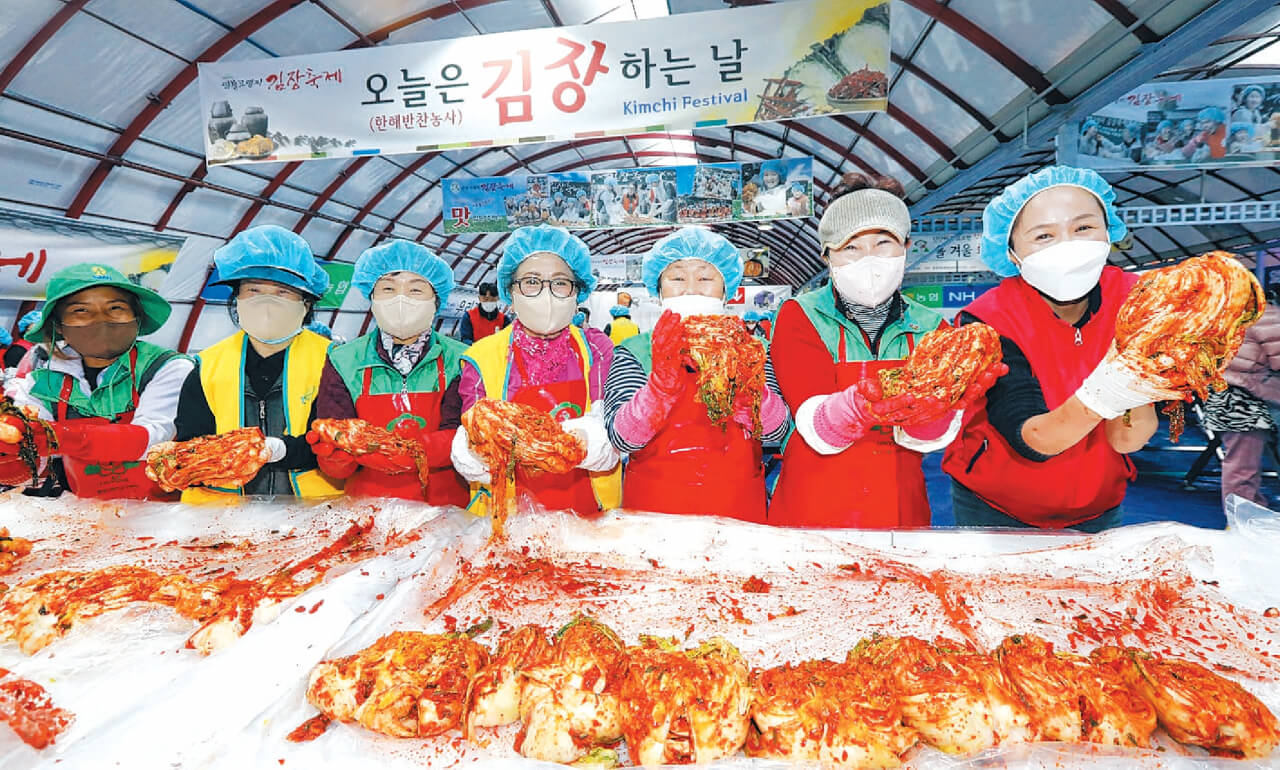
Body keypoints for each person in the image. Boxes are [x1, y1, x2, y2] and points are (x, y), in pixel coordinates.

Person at [941, 166, 1180, 532]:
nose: (1067, 245)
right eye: (1043, 236)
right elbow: (1034, 438)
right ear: (1012, 254)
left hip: (1097, 505)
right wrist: (1116, 383)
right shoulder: (989, 319)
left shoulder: (1138, 302)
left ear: (1108, 231)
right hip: (995, 508)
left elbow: (1128, 437)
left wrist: (1142, 385)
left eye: (1083, 228)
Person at [768, 174, 1002, 528]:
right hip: (812, 506)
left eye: (883, 242)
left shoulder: (932, 327)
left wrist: (937, 412)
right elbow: (812, 421)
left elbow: (928, 441)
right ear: (827, 255)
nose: (869, 258)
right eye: (851, 247)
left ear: (906, 246)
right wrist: (861, 407)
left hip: (899, 507)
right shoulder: (800, 315)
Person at [603, 228, 790, 522]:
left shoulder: (754, 349)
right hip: (654, 517)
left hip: (738, 516)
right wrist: (658, 390)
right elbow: (620, 440)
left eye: (705, 278)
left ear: (726, 289)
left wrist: (747, 389)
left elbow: (777, 433)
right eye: (677, 278)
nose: (690, 288)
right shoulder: (634, 351)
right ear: (658, 289)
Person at [451, 224, 621, 517]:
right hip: (507, 519)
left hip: (589, 515)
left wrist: (588, 441)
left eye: (560, 283)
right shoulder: (480, 356)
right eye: (531, 282)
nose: (546, 293)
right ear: (510, 292)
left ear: (577, 292)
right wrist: (473, 451)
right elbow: (475, 428)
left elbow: (611, 427)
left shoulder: (597, 348)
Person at [174, 225, 340, 502]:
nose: (266, 302)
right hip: (222, 520)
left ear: (307, 303)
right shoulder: (207, 366)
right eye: (253, 290)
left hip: (315, 514)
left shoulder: (333, 361)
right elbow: (190, 446)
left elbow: (338, 444)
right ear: (236, 298)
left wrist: (281, 449)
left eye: (282, 292)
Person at [2, 264, 193, 499]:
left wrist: (55, 436)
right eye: (81, 310)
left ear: (136, 316)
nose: (101, 320)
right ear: (59, 325)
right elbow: (37, 465)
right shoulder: (41, 382)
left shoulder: (166, 367)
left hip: (165, 513)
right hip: (89, 516)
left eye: (116, 308)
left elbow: (154, 437)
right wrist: (12, 457)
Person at [310, 240, 470, 505]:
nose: (400, 299)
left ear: (436, 301)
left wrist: (408, 451)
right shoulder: (344, 359)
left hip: (446, 512)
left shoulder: (460, 358)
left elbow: (462, 435)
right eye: (388, 289)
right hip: (368, 511)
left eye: (416, 290)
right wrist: (334, 457)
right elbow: (337, 442)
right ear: (371, 297)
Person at [1209, 295, 1280, 508]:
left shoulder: (1226, 316)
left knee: (1239, 467)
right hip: (1250, 398)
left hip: (1227, 394)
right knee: (1243, 469)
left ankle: (1241, 519)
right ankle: (1244, 522)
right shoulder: (1269, 317)